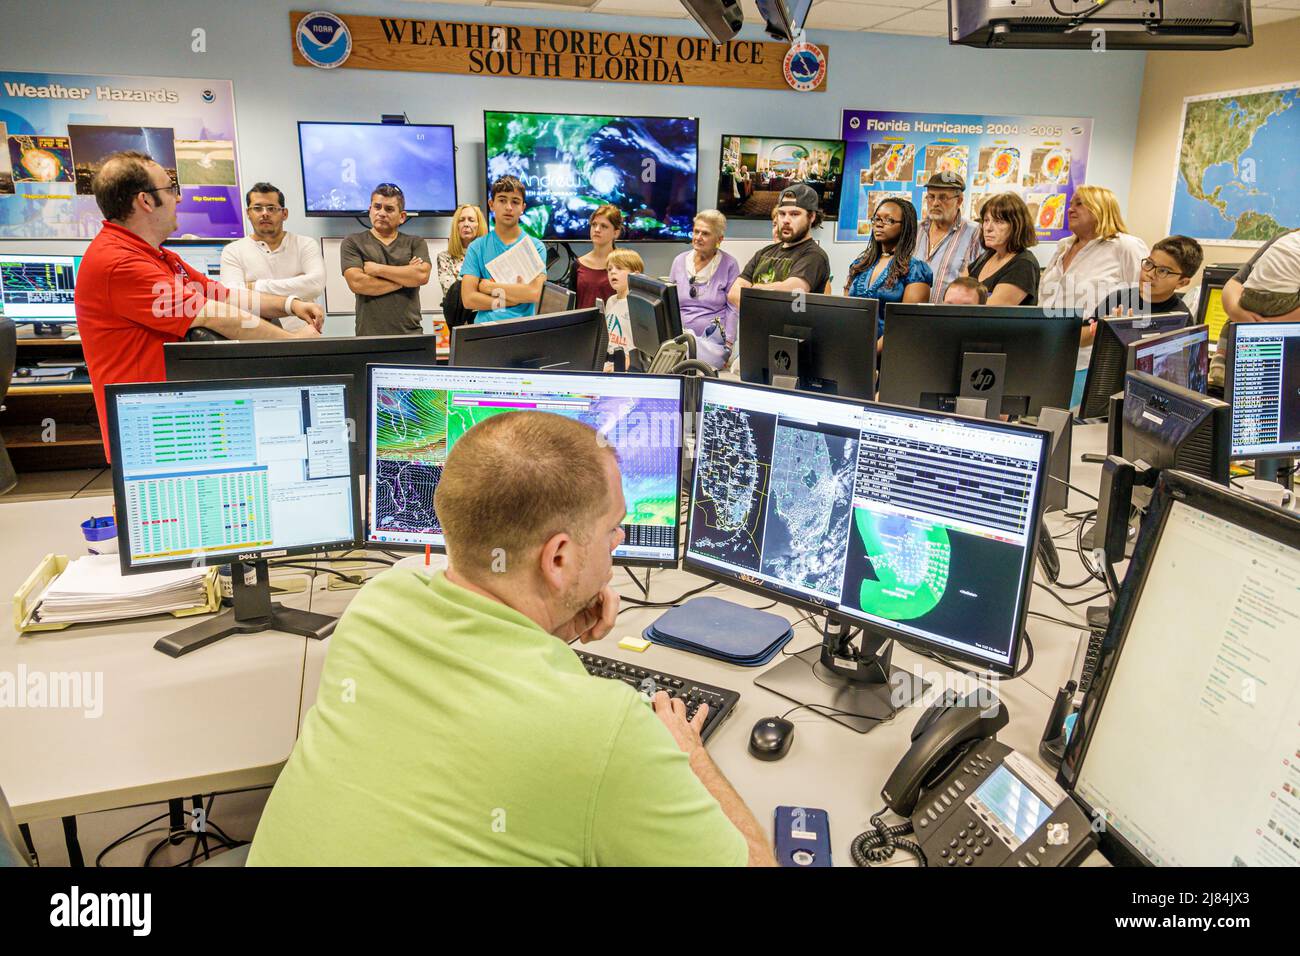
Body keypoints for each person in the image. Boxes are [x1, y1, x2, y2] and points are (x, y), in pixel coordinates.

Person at [247, 411, 774, 866]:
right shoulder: (607, 732)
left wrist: (557, 619)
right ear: (559, 558)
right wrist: (686, 753)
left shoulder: (379, 599)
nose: (619, 544)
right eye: (615, 529)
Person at [74, 151, 322, 461]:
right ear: (146, 201)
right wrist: (292, 343)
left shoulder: (159, 257)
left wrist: (289, 304)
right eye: (171, 189)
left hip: (183, 416)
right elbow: (213, 313)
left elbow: (223, 296)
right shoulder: (119, 263)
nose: (178, 199)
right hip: (150, 429)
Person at [220, 181, 326, 331]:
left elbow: (315, 285)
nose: (265, 213)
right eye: (257, 208)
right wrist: (299, 284)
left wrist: (255, 286)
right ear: (248, 213)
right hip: (256, 337)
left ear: (284, 213)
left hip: (304, 336)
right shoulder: (232, 251)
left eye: (271, 208)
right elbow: (234, 298)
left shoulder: (305, 244)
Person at [340, 184, 432, 336]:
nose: (381, 213)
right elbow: (358, 283)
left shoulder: (416, 242)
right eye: (377, 207)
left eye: (389, 209)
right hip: (369, 337)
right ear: (370, 210)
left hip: (410, 335)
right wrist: (406, 277)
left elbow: (421, 275)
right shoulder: (353, 242)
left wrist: (378, 269)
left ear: (402, 216)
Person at [1216, 229, 1300, 389]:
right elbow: (1234, 284)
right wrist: (1237, 312)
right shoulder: (1286, 236)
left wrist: (1261, 324)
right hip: (1266, 355)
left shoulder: (1290, 238)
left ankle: (1220, 357)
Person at [727, 183, 831, 310]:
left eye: (794, 214)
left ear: (812, 217)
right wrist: (761, 296)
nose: (786, 220)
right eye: (782, 214)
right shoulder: (764, 253)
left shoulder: (814, 256)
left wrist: (752, 291)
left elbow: (791, 291)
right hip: (755, 329)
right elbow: (733, 293)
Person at [461, 175, 548, 324]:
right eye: (502, 200)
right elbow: (469, 299)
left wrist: (489, 287)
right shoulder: (477, 247)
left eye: (515, 202)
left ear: (523, 208)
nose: (508, 207)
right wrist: (512, 300)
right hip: (485, 332)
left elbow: (534, 293)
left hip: (523, 331)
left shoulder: (536, 247)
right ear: (491, 204)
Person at [844, 196, 932, 340]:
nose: (879, 224)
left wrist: (868, 353)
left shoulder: (916, 270)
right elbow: (845, 313)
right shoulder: (859, 265)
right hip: (851, 348)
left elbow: (904, 325)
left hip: (890, 355)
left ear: (905, 227)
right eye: (877, 219)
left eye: (889, 220)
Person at [669, 210, 740, 369]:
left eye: (705, 233)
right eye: (696, 231)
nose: (698, 237)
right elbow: (669, 302)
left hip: (712, 343)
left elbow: (733, 308)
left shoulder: (729, 264)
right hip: (678, 337)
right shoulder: (679, 261)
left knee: (686, 360)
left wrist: (728, 343)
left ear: (719, 239)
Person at [1091, 235, 1202, 320]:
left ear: (1182, 283)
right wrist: (1104, 327)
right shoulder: (1117, 298)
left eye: (1163, 271)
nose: (1149, 274)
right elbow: (1083, 336)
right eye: (1148, 263)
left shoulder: (1181, 320)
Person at [962, 192, 1040, 307]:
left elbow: (989, 312)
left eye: (998, 222)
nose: (988, 228)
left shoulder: (1024, 264)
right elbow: (956, 294)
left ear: (1017, 226)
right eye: (986, 220)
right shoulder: (987, 256)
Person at [915, 172, 982, 303]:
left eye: (943, 198)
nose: (935, 203)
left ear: (959, 201)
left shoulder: (975, 233)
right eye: (931, 197)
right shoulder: (915, 230)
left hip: (950, 318)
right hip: (911, 317)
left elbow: (980, 285)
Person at [572, 205, 622, 309]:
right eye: (594, 224)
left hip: (614, 324)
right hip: (583, 324)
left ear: (616, 233)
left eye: (604, 226)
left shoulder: (625, 265)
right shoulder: (577, 264)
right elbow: (570, 308)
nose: (597, 229)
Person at [603, 248, 643, 368]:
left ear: (635, 274)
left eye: (619, 268)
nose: (612, 272)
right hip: (610, 362)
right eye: (609, 269)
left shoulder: (639, 305)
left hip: (629, 367)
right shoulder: (611, 300)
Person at [436, 204, 488, 297]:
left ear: (479, 225)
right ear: (456, 226)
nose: (466, 224)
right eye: (461, 220)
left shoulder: (490, 255)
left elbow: (497, 289)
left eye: (471, 220)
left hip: (486, 309)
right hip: (460, 310)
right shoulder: (444, 257)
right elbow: (452, 293)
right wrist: (483, 285)